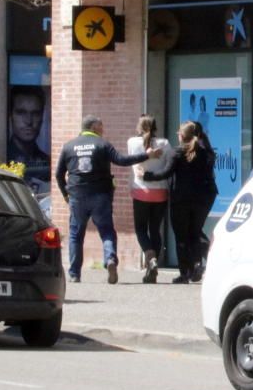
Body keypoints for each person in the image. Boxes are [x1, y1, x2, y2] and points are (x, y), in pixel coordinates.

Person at [55, 115, 162, 284]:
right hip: (100, 195)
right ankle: (110, 260)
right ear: (94, 127)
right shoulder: (102, 145)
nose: (103, 129)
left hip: (77, 196)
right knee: (106, 232)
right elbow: (121, 160)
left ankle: (74, 274)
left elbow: (58, 174)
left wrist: (65, 194)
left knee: (76, 234)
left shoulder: (69, 146)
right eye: (101, 126)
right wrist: (146, 155)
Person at [143, 121, 218, 284]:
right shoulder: (206, 152)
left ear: (181, 135)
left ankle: (185, 273)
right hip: (203, 198)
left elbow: (165, 172)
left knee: (181, 237)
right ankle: (197, 264)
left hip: (181, 199)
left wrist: (147, 175)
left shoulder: (176, 153)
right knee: (195, 231)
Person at [127, 115, 172, 283]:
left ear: (139, 127)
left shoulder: (132, 142)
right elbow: (169, 163)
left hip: (141, 191)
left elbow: (133, 160)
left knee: (140, 229)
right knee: (155, 230)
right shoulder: (165, 144)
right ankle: (153, 266)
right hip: (160, 192)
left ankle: (150, 256)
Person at [7, 85, 51, 194]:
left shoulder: (47, 160)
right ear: (10, 115)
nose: (29, 121)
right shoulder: (4, 155)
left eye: (35, 113)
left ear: (42, 117)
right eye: (21, 112)